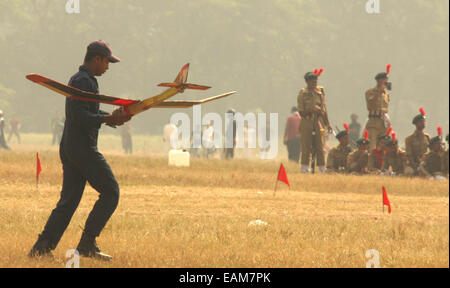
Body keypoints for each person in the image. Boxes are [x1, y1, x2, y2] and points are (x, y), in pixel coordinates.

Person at [29, 40, 132, 261]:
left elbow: (86, 111)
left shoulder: (82, 80)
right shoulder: (85, 81)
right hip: (82, 148)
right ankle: (86, 244)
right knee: (111, 192)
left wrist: (112, 119)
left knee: (69, 201)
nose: (108, 67)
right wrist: (107, 118)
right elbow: (79, 117)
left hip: (71, 146)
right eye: (107, 62)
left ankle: (41, 249)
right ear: (97, 59)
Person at [297, 72, 331, 173]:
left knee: (320, 145)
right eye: (312, 81)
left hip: (319, 121)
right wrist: (311, 109)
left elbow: (324, 110)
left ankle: (321, 167)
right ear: (307, 82)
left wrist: (328, 124)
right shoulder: (302, 93)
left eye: (316, 81)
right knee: (306, 145)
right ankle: (305, 167)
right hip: (307, 121)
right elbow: (301, 112)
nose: (314, 83)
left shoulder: (320, 92)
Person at [365, 71, 390, 150]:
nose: (386, 81)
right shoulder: (370, 92)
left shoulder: (386, 94)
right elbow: (370, 104)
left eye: (386, 79)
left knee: (384, 146)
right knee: (372, 146)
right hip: (374, 122)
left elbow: (386, 108)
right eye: (384, 80)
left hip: (383, 123)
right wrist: (379, 92)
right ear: (379, 80)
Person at [404, 110, 430, 176]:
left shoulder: (427, 137)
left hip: (425, 164)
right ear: (416, 123)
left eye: (424, 121)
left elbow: (430, 152)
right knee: (408, 172)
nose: (423, 123)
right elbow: (409, 155)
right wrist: (415, 166)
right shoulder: (409, 139)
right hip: (413, 164)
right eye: (421, 121)